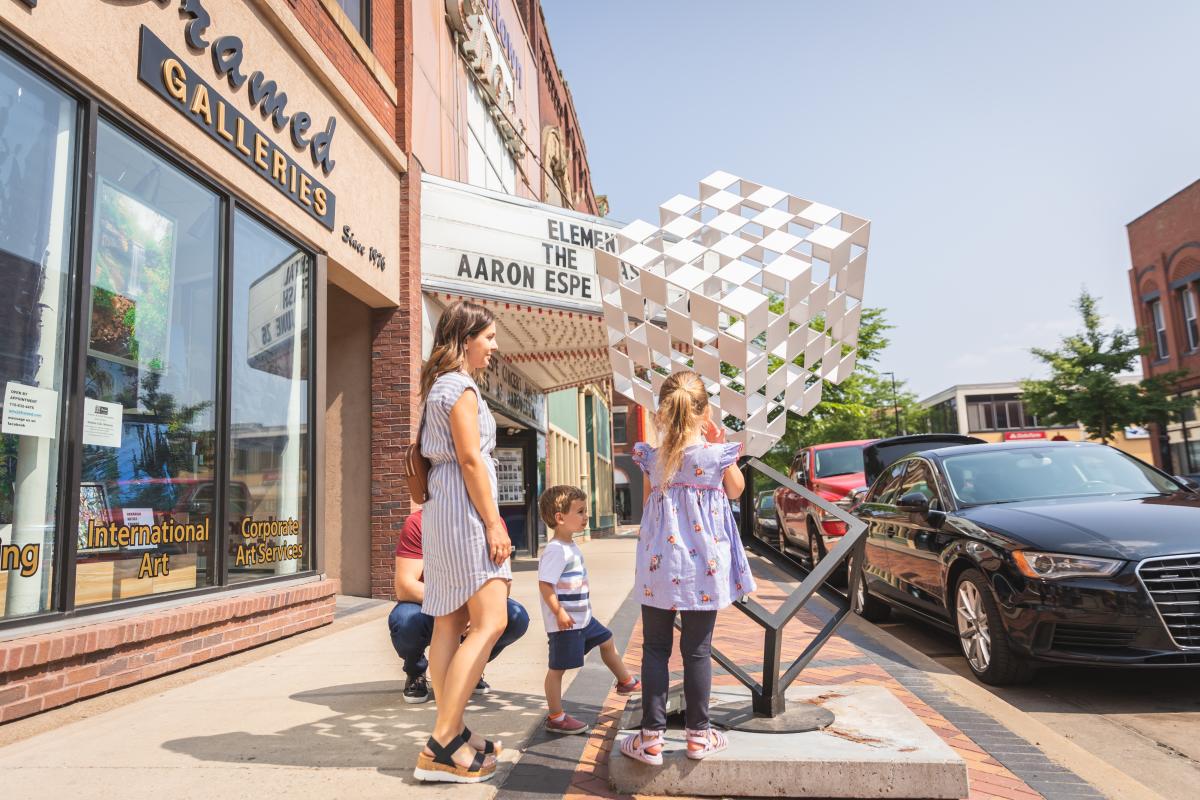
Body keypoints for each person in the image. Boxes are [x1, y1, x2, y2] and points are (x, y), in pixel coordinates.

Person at [618, 370, 756, 765]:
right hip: (703, 568)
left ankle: (650, 740)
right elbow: (736, 490)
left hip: (659, 565)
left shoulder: (652, 458)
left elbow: (647, 507)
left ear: (663, 411)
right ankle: (698, 737)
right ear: (704, 411)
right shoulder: (717, 455)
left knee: (655, 649)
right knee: (697, 650)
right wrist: (714, 441)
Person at [413, 300, 513, 784]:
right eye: (488, 337)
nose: (493, 346)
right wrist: (494, 522)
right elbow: (472, 461)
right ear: (466, 338)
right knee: (491, 620)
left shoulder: (438, 386)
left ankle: (451, 730)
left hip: (444, 509)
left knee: (449, 623)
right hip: (466, 512)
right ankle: (442, 741)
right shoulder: (460, 387)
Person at [388, 509, 530, 704]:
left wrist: (478, 611)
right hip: (428, 604)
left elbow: (504, 584)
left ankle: (471, 667)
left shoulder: (493, 524)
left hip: (474, 600)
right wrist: (457, 606)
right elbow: (405, 586)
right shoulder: (419, 522)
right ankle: (415, 670)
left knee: (516, 616)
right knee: (405, 621)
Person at [536, 485, 640, 734]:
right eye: (580, 511)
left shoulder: (570, 546)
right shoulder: (555, 550)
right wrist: (558, 612)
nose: (586, 517)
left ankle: (625, 681)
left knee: (607, 640)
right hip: (567, 622)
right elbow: (545, 585)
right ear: (560, 518)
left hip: (583, 619)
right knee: (557, 669)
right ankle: (556, 717)